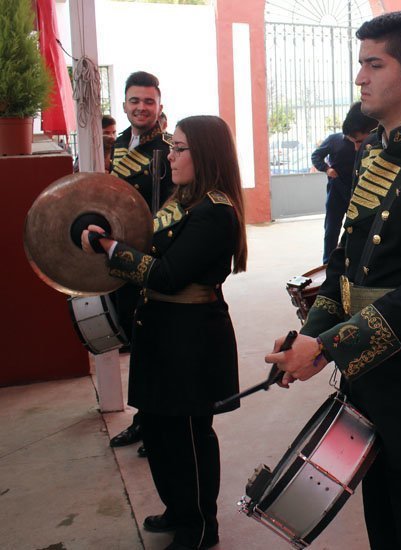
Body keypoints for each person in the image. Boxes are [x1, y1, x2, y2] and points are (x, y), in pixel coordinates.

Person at [266, 11, 401, 549]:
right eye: (361, 64)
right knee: (385, 527)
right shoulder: (374, 154)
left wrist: (329, 344)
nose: (360, 77)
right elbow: (344, 262)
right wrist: (312, 336)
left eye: (373, 64)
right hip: (372, 379)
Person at [82, 115, 247, 550]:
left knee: (188, 437)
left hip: (190, 339)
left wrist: (113, 250)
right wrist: (112, 235)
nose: (169, 156)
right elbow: (151, 243)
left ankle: (199, 527)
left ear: (205, 154)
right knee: (158, 430)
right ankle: (178, 508)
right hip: (161, 331)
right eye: (172, 147)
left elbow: (168, 274)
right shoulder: (185, 201)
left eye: (179, 149)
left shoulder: (215, 211)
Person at [108, 71, 175, 456]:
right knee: (136, 345)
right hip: (120, 259)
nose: (141, 107)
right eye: (135, 101)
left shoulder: (170, 150)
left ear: (159, 106)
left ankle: (158, 424)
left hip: (155, 262)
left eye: (149, 101)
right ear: (124, 105)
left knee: (157, 347)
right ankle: (143, 419)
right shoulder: (113, 146)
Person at [311, 101, 377, 263]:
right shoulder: (334, 140)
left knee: (357, 227)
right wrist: (327, 169)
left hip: (359, 190)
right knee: (331, 229)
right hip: (336, 189)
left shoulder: (375, 145)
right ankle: (327, 262)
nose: (356, 148)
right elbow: (316, 156)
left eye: (359, 143)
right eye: (354, 142)